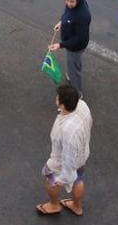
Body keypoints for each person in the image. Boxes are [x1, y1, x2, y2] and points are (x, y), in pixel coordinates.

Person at [37, 84, 92, 216]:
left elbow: (68, 159)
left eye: (58, 98)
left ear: (62, 105)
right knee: (78, 179)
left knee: (50, 179)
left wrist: (62, 179)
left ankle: (54, 205)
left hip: (61, 162)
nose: (56, 98)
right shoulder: (82, 105)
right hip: (83, 154)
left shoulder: (67, 130)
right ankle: (76, 206)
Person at [49, 0, 91, 94]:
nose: (68, 4)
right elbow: (66, 14)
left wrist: (60, 45)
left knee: (74, 68)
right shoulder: (72, 6)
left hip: (75, 46)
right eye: (66, 0)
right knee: (73, 63)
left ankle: (77, 93)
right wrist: (61, 22)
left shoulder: (83, 16)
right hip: (69, 43)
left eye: (72, 1)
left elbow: (79, 39)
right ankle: (71, 74)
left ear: (79, 0)